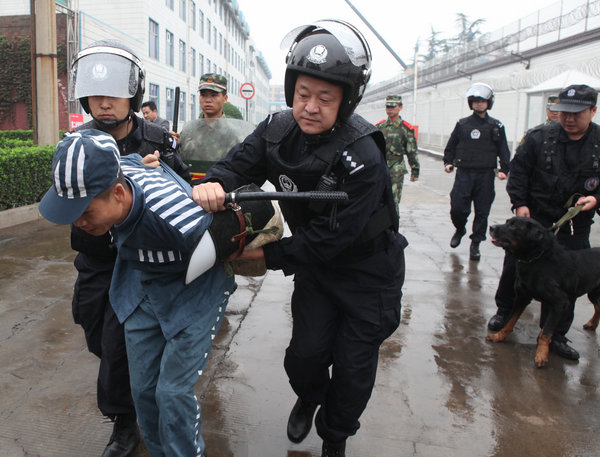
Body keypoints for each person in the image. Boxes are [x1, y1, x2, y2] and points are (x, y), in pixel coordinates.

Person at [192, 20, 407, 457]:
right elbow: (236, 166)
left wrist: (267, 256)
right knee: (304, 358)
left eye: (325, 98)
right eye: (303, 94)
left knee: (352, 371)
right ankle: (309, 396)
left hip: (370, 274)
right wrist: (213, 184)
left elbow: (334, 238)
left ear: (346, 101)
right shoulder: (275, 131)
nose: (310, 107)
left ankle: (335, 437)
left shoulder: (363, 153)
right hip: (317, 272)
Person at [38, 129, 233, 457]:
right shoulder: (122, 168)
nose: (79, 223)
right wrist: (149, 161)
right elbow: (128, 160)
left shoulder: (177, 220)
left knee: (171, 394)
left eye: (85, 212)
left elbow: (235, 246)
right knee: (142, 391)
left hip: (195, 294)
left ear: (117, 193)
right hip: (141, 283)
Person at [69, 39, 191, 457]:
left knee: (119, 341)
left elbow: (184, 196)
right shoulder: (76, 142)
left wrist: (160, 174)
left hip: (140, 263)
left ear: (132, 94)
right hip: (96, 257)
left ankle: (125, 423)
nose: (104, 104)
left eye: (114, 95)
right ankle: (131, 391)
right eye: (96, 95)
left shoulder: (157, 141)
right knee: (94, 328)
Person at [487, 84, 600, 361]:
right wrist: (520, 203)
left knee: (567, 282)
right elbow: (519, 174)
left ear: (593, 111)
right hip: (534, 219)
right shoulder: (539, 137)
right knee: (516, 269)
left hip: (574, 223)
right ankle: (505, 312)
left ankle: (556, 335)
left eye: (577, 113)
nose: (569, 119)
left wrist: (595, 199)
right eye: (564, 113)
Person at [443, 82, 510, 261]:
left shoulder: (496, 126)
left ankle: (476, 243)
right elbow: (451, 145)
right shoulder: (462, 124)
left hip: (485, 175)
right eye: (475, 101)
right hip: (464, 173)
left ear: (489, 103)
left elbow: (503, 149)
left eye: (482, 101)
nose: (479, 104)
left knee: (482, 211)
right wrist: (448, 162)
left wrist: (504, 168)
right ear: (470, 103)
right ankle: (460, 228)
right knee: (457, 207)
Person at [376, 95, 419, 207]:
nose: (389, 109)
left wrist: (415, 171)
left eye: (392, 107)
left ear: (400, 107)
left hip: (396, 168)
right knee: (378, 199)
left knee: (393, 200)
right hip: (381, 167)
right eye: (387, 107)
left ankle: (393, 223)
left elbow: (412, 151)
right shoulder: (379, 127)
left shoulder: (405, 128)